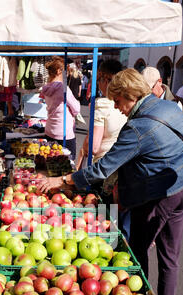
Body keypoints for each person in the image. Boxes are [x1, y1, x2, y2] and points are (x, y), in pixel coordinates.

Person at [37, 68, 183, 295]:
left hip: (159, 193)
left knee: (138, 249)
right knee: (170, 254)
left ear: (130, 95)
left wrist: (64, 179)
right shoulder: (172, 108)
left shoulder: (137, 127)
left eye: (118, 101)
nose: (117, 107)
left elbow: (103, 167)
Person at [75, 59, 128, 239]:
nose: (98, 83)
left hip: (104, 172)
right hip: (124, 170)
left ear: (105, 80)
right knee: (117, 224)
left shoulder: (103, 105)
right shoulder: (130, 104)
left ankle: (108, 249)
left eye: (99, 80)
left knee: (102, 224)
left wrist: (82, 154)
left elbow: (94, 146)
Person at [39, 56, 80, 159]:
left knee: (49, 161)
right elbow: (76, 109)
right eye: (65, 71)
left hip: (50, 129)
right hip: (64, 132)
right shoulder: (63, 88)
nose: (66, 74)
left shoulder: (46, 88)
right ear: (59, 71)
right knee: (67, 164)